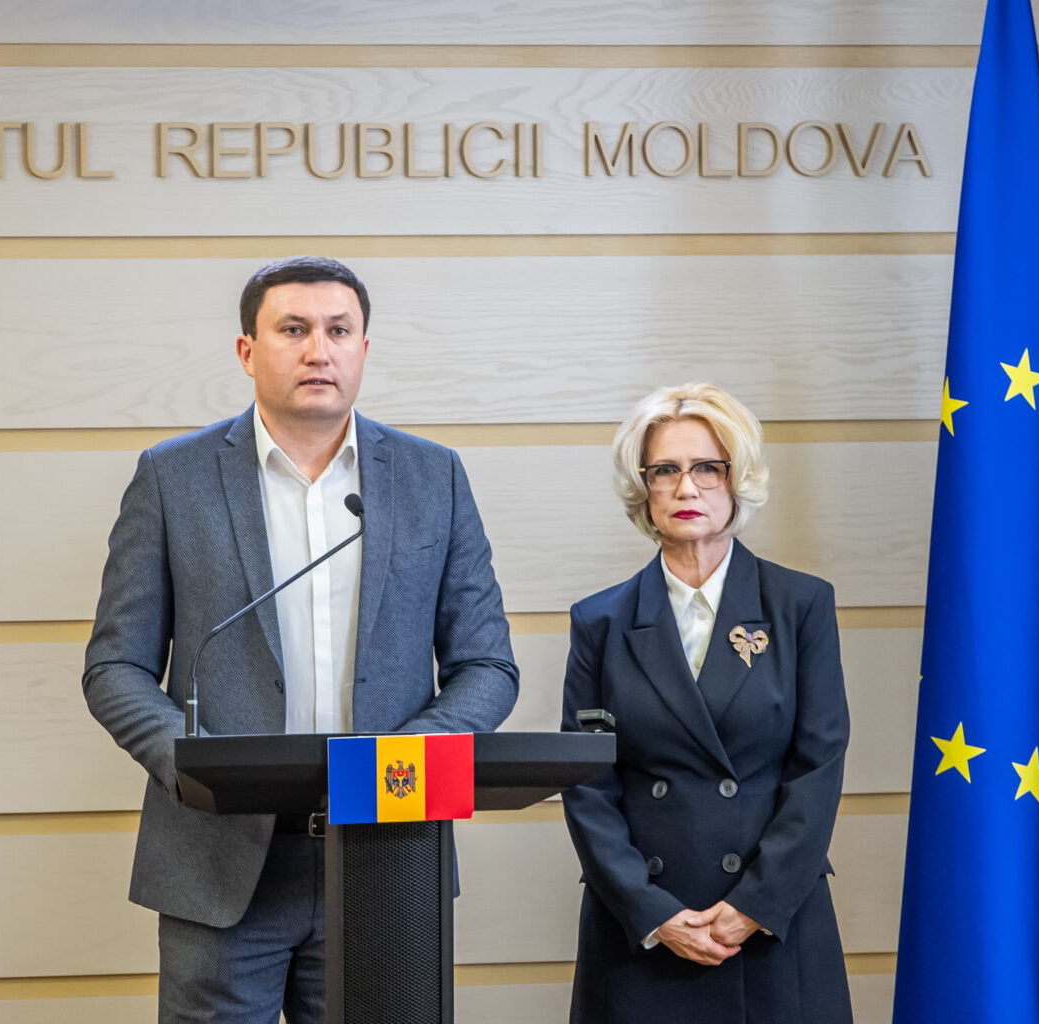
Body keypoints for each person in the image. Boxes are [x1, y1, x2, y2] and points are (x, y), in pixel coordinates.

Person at [83, 255, 519, 1024]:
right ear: (247, 351)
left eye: (338, 330)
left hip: (387, 849)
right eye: (293, 329)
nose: (319, 350)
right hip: (219, 860)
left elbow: (487, 666)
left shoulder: (433, 478)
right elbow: (116, 666)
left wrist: (396, 767)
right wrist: (194, 766)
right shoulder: (172, 478)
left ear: (364, 349)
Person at [560, 382, 852, 1024]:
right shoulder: (599, 621)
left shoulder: (800, 605)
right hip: (643, 930)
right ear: (643, 488)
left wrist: (754, 906)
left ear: (737, 478)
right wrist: (652, 912)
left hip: (770, 925)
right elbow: (586, 784)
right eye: (665, 470)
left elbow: (818, 767)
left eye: (706, 468)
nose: (686, 488)